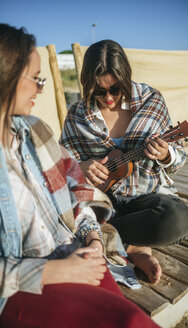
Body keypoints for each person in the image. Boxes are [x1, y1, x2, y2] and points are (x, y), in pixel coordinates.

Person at [0, 24, 161, 328]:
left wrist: (93, 238)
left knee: (134, 317)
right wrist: (56, 272)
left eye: (116, 89)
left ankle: (122, 240)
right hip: (26, 282)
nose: (41, 88)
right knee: (127, 320)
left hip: (78, 250)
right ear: (6, 77)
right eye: (36, 79)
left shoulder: (36, 130)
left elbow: (75, 196)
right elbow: (79, 173)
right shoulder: (76, 115)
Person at [60, 39, 188, 285]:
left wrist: (165, 154)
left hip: (146, 200)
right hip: (100, 201)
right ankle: (135, 246)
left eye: (116, 89)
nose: (109, 98)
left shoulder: (151, 101)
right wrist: (81, 168)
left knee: (177, 219)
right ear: (87, 83)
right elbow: (62, 167)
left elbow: (178, 159)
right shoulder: (77, 114)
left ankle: (104, 239)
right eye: (100, 91)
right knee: (60, 209)